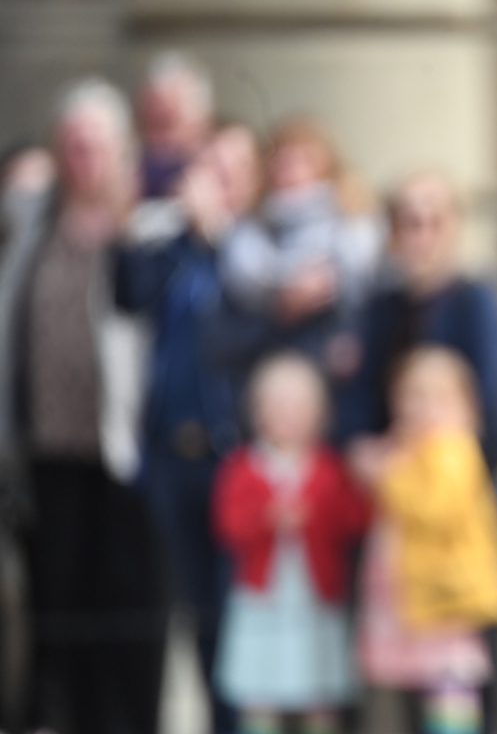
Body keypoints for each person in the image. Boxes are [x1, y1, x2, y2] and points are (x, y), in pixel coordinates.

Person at [0, 78, 168, 734]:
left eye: (96, 147)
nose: (84, 160)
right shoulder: (30, 223)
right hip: (47, 449)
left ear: (121, 151)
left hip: (125, 451)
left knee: (125, 607)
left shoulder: (148, 224)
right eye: (72, 147)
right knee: (57, 603)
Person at [114, 122, 264, 734]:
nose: (214, 184)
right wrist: (137, 220)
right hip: (172, 456)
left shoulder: (256, 247)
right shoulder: (171, 247)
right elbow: (128, 294)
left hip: (236, 455)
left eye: (229, 171)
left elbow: (253, 318)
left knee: (239, 612)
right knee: (198, 611)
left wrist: (220, 235)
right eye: (206, 170)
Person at [356, 346, 497, 734]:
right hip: (418, 599)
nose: (420, 407)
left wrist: (387, 474)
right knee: (422, 693)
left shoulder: (452, 447)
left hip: (445, 601)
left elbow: (436, 510)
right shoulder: (412, 449)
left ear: (463, 403)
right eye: (410, 395)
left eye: (434, 396)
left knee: (450, 688)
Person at [212, 352, 371, 734]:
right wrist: (269, 517)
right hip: (263, 600)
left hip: (315, 600)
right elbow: (227, 526)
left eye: (299, 407)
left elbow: (355, 521)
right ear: (258, 412)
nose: (288, 417)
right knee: (260, 690)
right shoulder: (242, 467)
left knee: (319, 690)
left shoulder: (330, 468)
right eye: (278, 406)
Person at [336, 171, 497, 466]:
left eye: (434, 223)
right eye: (410, 224)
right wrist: (361, 447)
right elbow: (359, 401)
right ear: (393, 235)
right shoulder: (380, 309)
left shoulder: (476, 302)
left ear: (454, 227)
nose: (422, 238)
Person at [217, 119, 384, 382]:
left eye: (304, 161)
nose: (291, 172)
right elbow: (228, 335)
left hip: (341, 382)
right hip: (269, 379)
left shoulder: (357, 228)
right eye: (282, 162)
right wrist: (282, 308)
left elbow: (373, 306)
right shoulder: (248, 239)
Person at [138, 51, 216, 199]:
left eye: (166, 124)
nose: (158, 140)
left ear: (203, 123)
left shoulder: (221, 183)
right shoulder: (131, 178)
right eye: (149, 123)